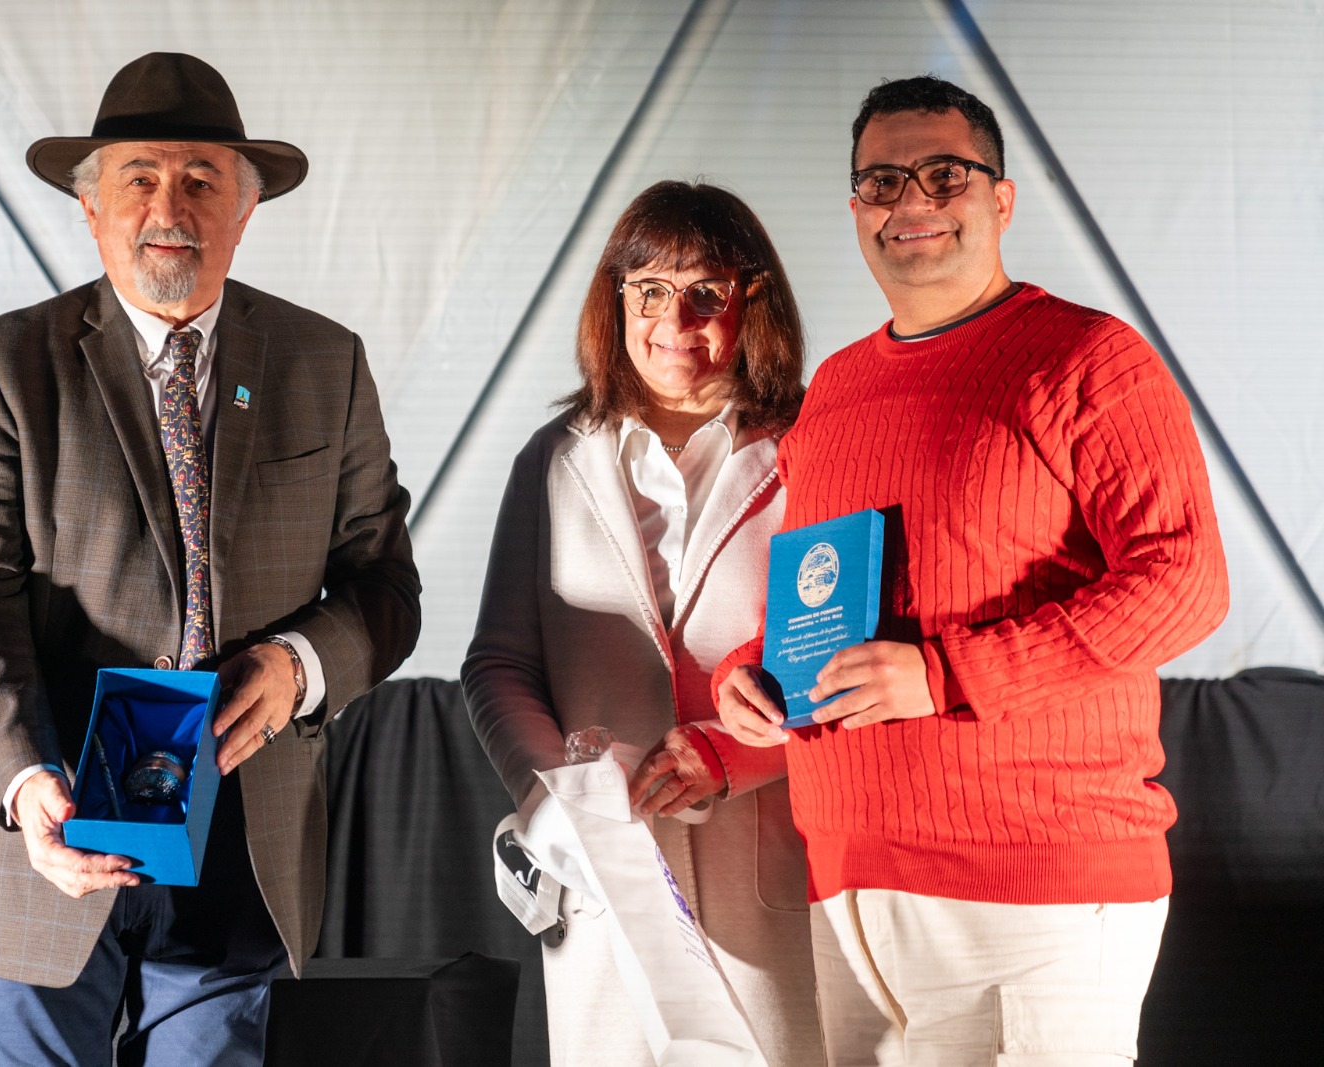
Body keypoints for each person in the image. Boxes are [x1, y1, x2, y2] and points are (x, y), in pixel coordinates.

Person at [0, 52, 420, 1065]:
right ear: (91, 208)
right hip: (47, 844)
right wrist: (25, 781)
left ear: (244, 210)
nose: (169, 204)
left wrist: (298, 667)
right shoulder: (3, 365)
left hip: (237, 848)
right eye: (139, 175)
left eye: (201, 179)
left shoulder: (328, 363)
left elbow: (385, 586)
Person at [714, 75, 1228, 1064]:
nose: (909, 201)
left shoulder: (1087, 358)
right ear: (855, 208)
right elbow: (836, 593)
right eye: (880, 180)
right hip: (844, 881)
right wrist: (761, 667)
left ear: (999, 199)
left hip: (1032, 889)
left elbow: (1184, 580)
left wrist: (946, 673)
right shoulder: (835, 388)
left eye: (942, 173)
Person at [464, 180, 824, 1066]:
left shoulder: (818, 445)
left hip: (776, 881)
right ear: (615, 301)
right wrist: (553, 797)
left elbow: (845, 659)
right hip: (606, 891)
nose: (676, 318)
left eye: (708, 291)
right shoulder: (553, 460)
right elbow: (500, 663)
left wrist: (732, 756)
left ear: (754, 302)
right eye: (650, 291)